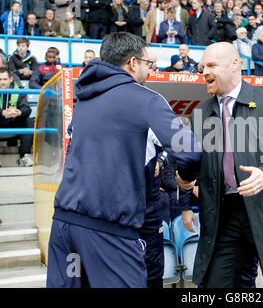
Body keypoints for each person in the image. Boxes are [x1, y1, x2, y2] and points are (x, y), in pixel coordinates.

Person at [46, 32, 202, 288]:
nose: (150, 71)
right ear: (132, 63)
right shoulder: (145, 98)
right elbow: (190, 151)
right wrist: (185, 181)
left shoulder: (84, 100)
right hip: (108, 228)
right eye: (147, 63)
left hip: (64, 224)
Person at [186, 42, 263, 288]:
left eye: (211, 65)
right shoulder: (200, 113)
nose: (204, 72)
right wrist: (182, 182)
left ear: (235, 64)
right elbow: (190, 164)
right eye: (202, 67)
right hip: (223, 216)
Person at [0, 68, 33, 167]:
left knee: (29, 122)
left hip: (14, 122)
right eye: (0, 79)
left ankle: (24, 157)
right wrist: (2, 112)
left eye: (4, 79)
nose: (2, 82)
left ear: (10, 79)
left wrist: (19, 112)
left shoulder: (19, 90)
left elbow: (27, 109)